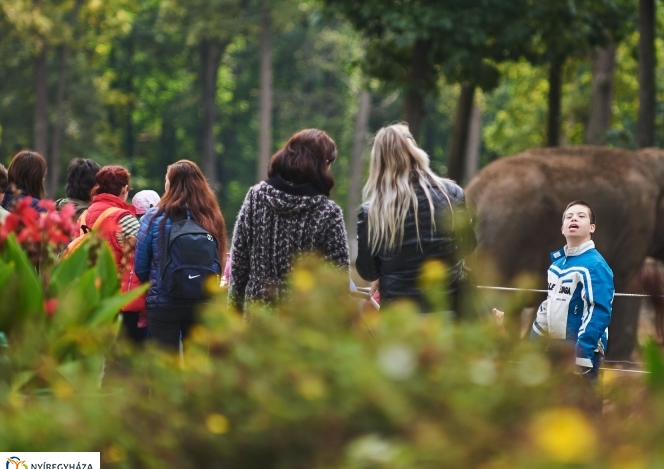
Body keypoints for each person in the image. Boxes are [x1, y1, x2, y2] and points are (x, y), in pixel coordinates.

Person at [355, 123, 476, 313]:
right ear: (415, 151)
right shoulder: (452, 193)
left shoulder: (370, 210)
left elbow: (368, 271)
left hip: (399, 317)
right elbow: (468, 246)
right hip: (448, 310)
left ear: (378, 161)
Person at [228, 129, 349, 314]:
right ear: (321, 164)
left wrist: (233, 315)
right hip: (303, 321)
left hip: (258, 314)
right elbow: (338, 281)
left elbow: (239, 264)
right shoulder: (328, 213)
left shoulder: (255, 198)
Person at [134, 160, 226, 350]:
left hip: (163, 301)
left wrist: (158, 283)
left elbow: (140, 267)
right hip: (202, 301)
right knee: (196, 365)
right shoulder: (211, 216)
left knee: (165, 367)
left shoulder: (153, 217)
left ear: (171, 185)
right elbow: (220, 259)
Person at [530, 201, 614, 382]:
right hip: (555, 349)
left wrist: (582, 353)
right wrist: (534, 343)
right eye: (569, 217)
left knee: (582, 408)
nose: (574, 218)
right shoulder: (556, 265)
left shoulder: (595, 265)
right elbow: (548, 306)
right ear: (562, 228)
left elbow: (598, 310)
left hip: (582, 352)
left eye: (581, 216)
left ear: (592, 227)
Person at [79, 165, 146, 344]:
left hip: (90, 296)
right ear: (124, 189)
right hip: (119, 299)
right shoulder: (123, 218)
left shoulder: (84, 216)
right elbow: (145, 250)